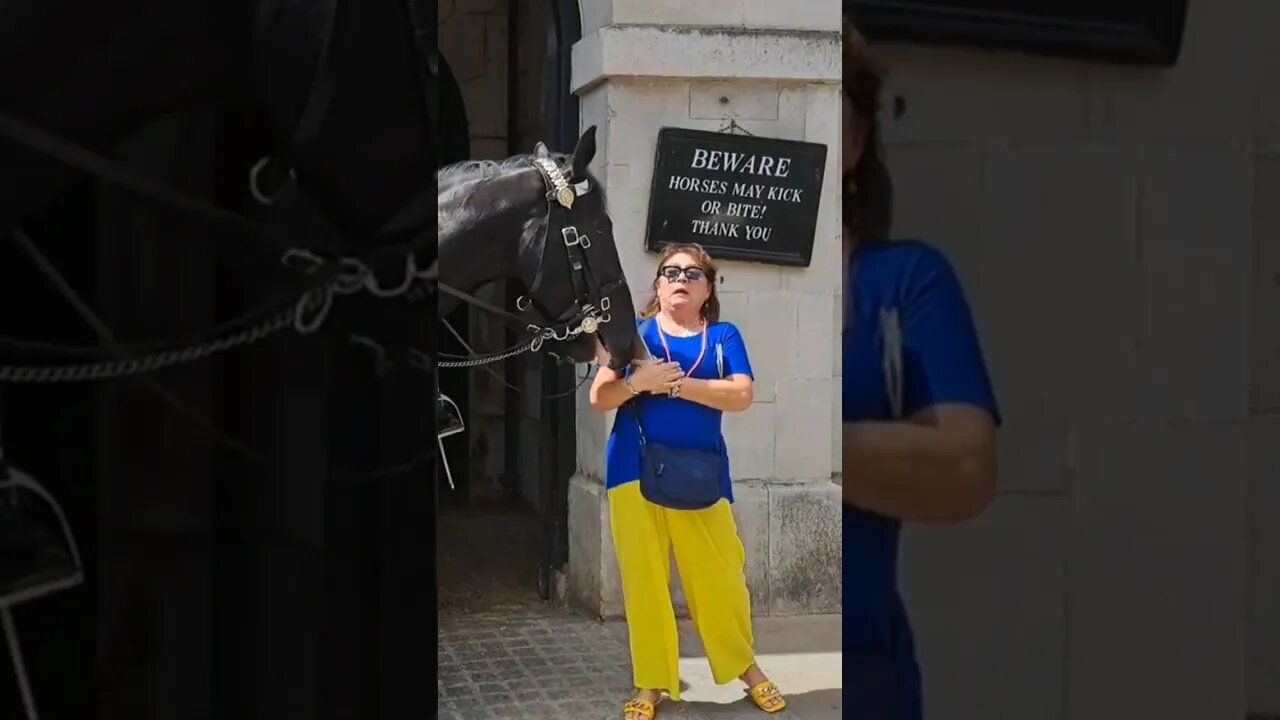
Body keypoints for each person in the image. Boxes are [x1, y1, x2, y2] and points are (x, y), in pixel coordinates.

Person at [842, 19, 1002, 720]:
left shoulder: (905, 281)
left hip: (858, 674)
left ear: (857, 134)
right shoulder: (683, 281)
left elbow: (966, 467)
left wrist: (781, 446)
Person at [588, 244, 785, 719]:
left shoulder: (722, 336)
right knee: (645, 581)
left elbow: (740, 394)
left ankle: (747, 670)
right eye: (670, 271)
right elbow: (601, 396)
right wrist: (638, 381)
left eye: (692, 273)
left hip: (701, 473)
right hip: (632, 470)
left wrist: (671, 384)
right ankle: (652, 683)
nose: (680, 278)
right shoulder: (632, 335)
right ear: (657, 285)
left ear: (708, 287)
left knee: (720, 577)